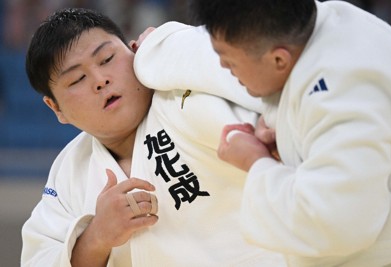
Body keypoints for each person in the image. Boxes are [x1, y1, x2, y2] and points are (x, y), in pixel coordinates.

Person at [130, 0, 391, 266]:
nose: (224, 68)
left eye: (230, 62)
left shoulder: (342, 104)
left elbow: (338, 224)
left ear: (278, 59)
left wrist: (255, 162)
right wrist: (281, 122)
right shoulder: (330, 20)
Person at [21, 7, 286, 267]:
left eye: (107, 59)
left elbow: (254, 75)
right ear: (55, 108)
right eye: (78, 79)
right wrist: (96, 238)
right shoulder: (70, 170)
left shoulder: (184, 95)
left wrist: (165, 45)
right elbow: (39, 258)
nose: (100, 80)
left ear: (133, 50)